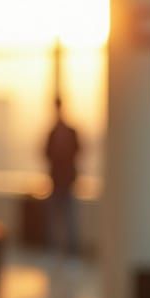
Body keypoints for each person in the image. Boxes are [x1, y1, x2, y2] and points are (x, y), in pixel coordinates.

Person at [44, 96, 81, 256]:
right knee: (55, 217)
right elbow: (46, 152)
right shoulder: (53, 132)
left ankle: (71, 249)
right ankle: (54, 248)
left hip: (68, 180)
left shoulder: (69, 131)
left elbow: (78, 150)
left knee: (69, 217)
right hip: (55, 180)